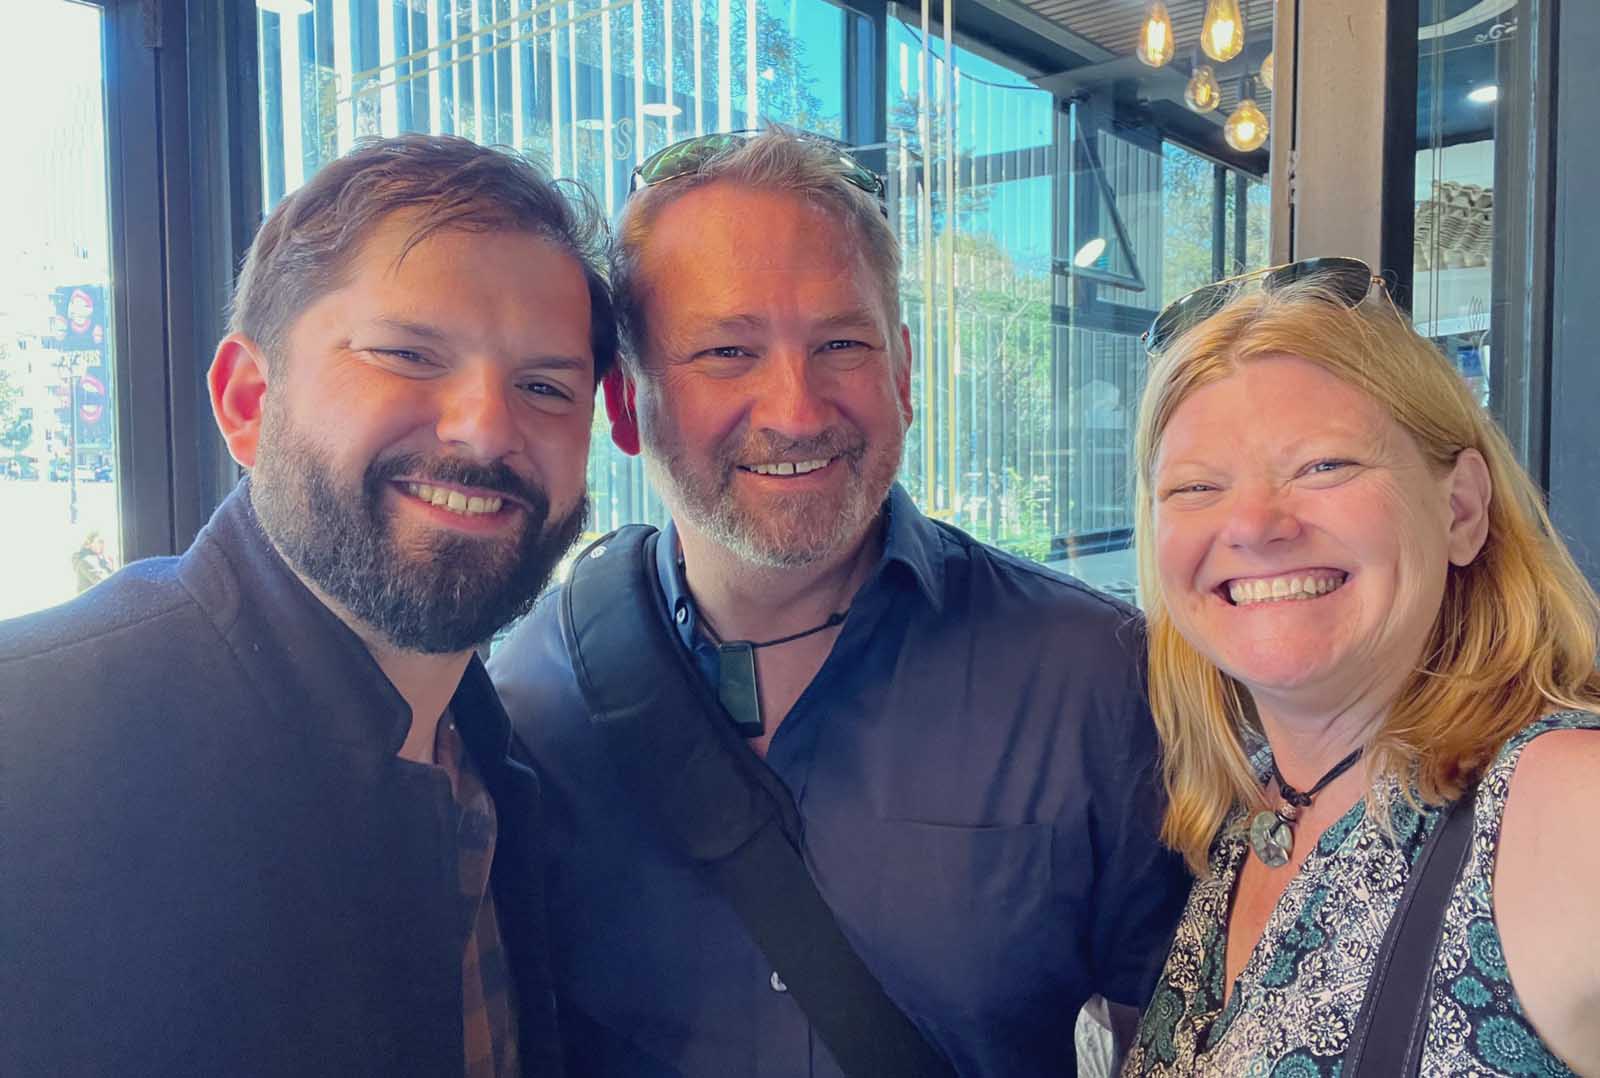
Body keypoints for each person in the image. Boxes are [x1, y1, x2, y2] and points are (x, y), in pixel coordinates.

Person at [488, 128, 1190, 1077]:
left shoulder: (1095, 676)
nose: (797, 409)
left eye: (841, 343)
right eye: (727, 351)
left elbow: (1180, 1034)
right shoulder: (531, 689)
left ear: (903, 372)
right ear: (624, 404)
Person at [2, 134, 613, 1077]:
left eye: (544, 386)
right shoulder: (30, 747)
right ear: (248, 400)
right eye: (408, 354)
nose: (488, 428)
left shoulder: (503, 770)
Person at [1120, 262, 1600, 1076]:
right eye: (1197, 486)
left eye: (1324, 467)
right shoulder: (1254, 816)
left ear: (1461, 510)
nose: (1253, 525)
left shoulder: (1562, 808)